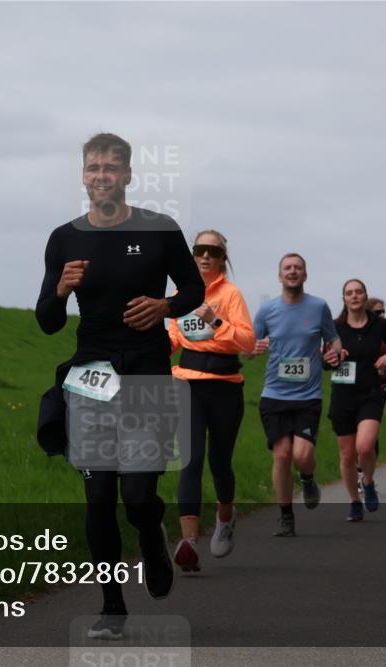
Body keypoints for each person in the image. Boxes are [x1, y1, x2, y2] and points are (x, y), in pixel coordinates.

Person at [35, 133, 204, 639]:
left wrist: (165, 306)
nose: (102, 175)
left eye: (111, 167)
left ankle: (151, 533)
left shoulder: (159, 228)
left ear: (128, 174)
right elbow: (47, 321)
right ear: (83, 175)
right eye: (94, 167)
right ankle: (112, 607)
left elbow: (193, 288)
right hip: (91, 372)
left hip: (146, 369)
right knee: (99, 496)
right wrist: (60, 290)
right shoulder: (64, 238)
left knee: (136, 494)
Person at [168, 230, 255, 572]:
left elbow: (247, 342)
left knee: (219, 462)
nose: (206, 256)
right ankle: (189, 543)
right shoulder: (180, 296)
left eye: (213, 251)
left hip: (225, 387)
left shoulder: (231, 294)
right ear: (192, 255)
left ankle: (226, 517)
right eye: (200, 250)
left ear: (222, 259)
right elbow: (174, 339)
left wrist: (215, 321)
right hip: (187, 384)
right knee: (190, 460)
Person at [251, 253, 341, 536]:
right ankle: (286, 516)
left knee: (302, 456)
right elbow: (249, 344)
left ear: (305, 274)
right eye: (287, 268)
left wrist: (335, 353)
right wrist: (252, 348)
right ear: (280, 276)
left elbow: (334, 339)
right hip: (274, 394)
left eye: (298, 268)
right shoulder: (266, 310)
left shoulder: (319, 306)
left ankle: (307, 478)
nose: (292, 271)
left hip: (308, 396)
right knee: (281, 456)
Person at [328, 279, 386, 521]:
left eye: (358, 292)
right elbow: (324, 361)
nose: (354, 296)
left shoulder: (380, 325)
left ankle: (368, 482)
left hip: (371, 392)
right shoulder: (335, 327)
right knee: (348, 455)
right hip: (343, 395)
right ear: (344, 299)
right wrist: (332, 358)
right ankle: (354, 502)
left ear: (365, 296)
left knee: (365, 446)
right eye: (349, 293)